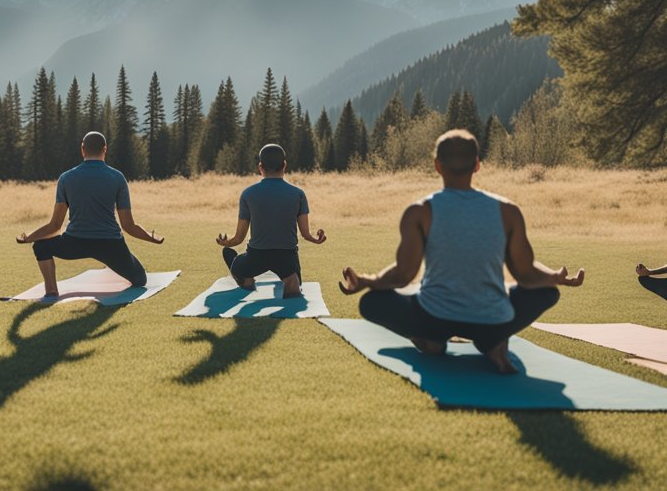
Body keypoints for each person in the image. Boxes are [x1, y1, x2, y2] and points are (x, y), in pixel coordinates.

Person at [338, 129, 583, 374]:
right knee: (547, 293)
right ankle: (492, 341)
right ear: (477, 165)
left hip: (434, 318)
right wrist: (554, 277)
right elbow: (526, 274)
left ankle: (430, 339)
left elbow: (403, 275)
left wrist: (366, 281)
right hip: (493, 321)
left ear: (437, 165)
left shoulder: (420, 211)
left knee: (371, 302)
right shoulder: (508, 211)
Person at [16, 131, 163, 298]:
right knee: (140, 279)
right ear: (105, 149)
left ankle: (51, 291)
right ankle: (112, 263)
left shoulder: (66, 178)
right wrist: (151, 237)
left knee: (41, 246)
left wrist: (29, 237)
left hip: (75, 242)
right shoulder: (117, 177)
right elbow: (128, 226)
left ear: (82, 149)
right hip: (110, 244)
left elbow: (55, 226)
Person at [216, 143, 327, 296]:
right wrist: (317, 239)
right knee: (290, 273)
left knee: (228, 253)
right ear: (284, 165)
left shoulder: (248, 194)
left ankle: (247, 280)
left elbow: (238, 239)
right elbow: (306, 235)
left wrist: (225, 242)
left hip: (257, 256)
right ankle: (290, 279)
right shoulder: (298, 194)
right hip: (287, 256)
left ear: (260, 167)